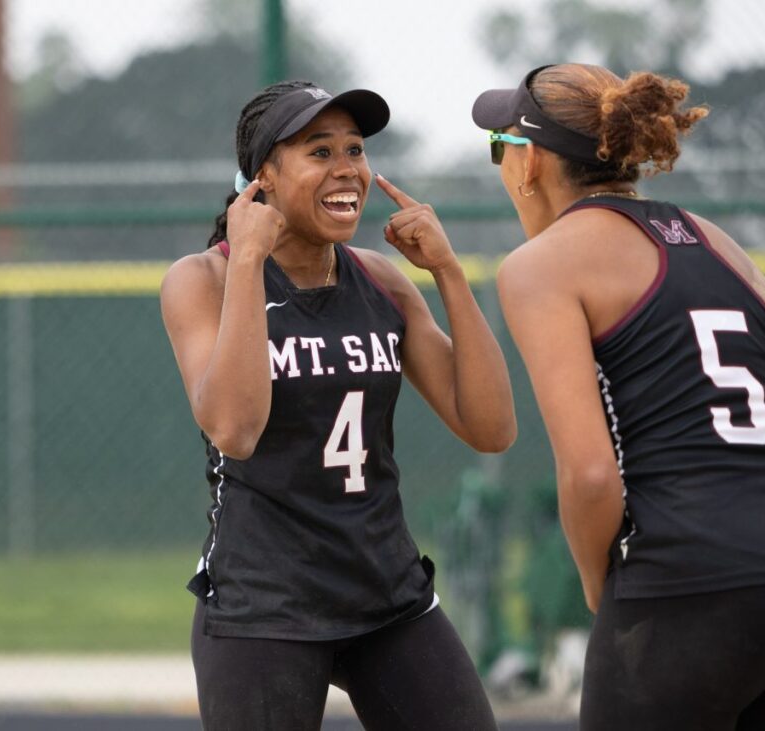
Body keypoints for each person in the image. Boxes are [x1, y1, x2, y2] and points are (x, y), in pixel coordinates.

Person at [477, 63, 765, 729]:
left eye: (499, 146)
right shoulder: (728, 250)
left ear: (531, 161)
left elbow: (592, 473)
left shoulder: (541, 265)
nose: (501, 164)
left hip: (690, 588)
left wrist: (608, 590)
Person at [160, 79, 515, 731]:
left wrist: (449, 273)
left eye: (355, 149)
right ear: (263, 175)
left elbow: (490, 427)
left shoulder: (379, 280)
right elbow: (234, 429)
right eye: (319, 152)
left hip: (386, 590)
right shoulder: (202, 278)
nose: (347, 167)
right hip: (266, 599)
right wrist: (248, 261)